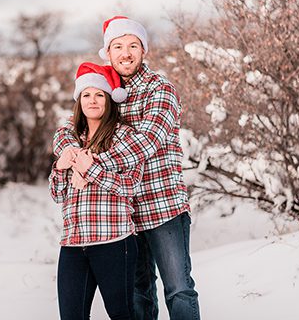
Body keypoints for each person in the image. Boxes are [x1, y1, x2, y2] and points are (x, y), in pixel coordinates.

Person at [53, 16, 199, 320]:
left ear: (143, 50)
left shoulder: (160, 89)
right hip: (123, 216)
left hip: (162, 206)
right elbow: (73, 126)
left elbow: (147, 142)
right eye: (117, 46)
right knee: (139, 295)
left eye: (133, 45)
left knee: (178, 289)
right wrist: (68, 150)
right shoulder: (106, 88)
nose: (126, 53)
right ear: (108, 52)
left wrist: (89, 163)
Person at [51, 62, 151, 319]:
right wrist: (61, 168)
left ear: (108, 100)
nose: (92, 101)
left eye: (99, 95)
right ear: (78, 100)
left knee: (121, 314)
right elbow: (57, 195)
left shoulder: (125, 136)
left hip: (114, 242)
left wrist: (90, 170)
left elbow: (131, 186)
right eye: (86, 94)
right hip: (74, 243)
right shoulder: (71, 140)